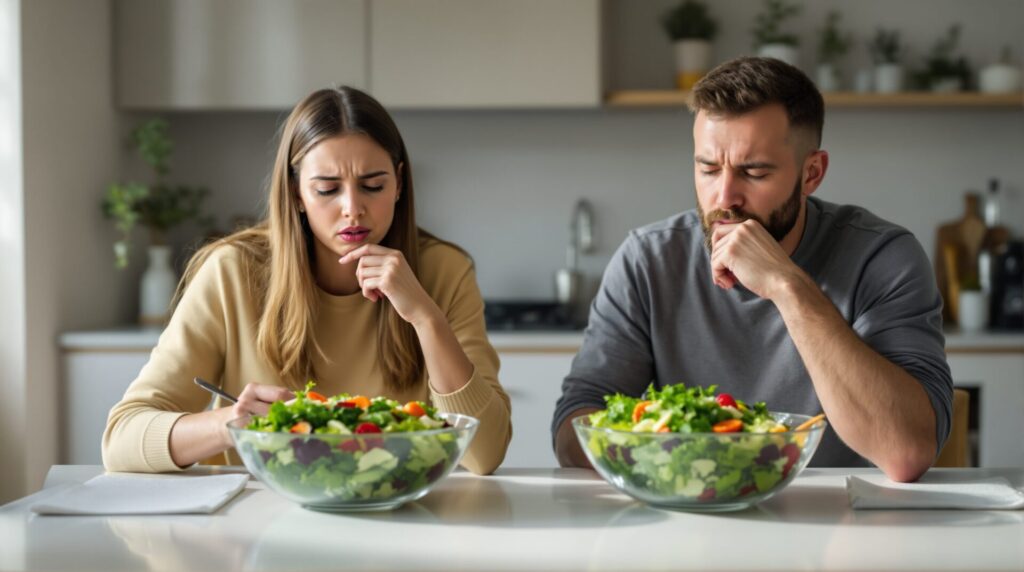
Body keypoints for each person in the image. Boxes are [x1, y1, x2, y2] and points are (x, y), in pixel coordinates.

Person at [552, 57, 952, 483]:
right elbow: (573, 429)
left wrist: (788, 286)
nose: (724, 196)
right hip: (688, 519)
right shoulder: (646, 260)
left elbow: (906, 451)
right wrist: (675, 447)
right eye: (707, 168)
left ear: (811, 173)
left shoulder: (883, 256)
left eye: (754, 171)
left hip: (841, 524)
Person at [104, 86, 511, 475]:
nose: (353, 209)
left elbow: (485, 454)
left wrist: (426, 317)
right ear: (296, 192)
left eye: (373, 186)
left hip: (397, 520)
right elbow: (121, 440)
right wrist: (230, 422)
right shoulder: (231, 272)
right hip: (250, 531)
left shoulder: (445, 271)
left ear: (400, 183)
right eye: (327, 189)